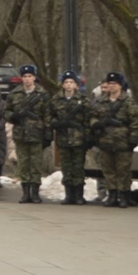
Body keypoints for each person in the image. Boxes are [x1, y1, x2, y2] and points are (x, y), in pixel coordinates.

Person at [6, 65, 52, 203]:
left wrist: (48, 133)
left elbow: (47, 115)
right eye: (25, 76)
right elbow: (6, 111)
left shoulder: (42, 94)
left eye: (30, 76)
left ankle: (35, 193)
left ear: (34, 77)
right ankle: (26, 193)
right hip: (21, 134)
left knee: (36, 164)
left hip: (37, 134)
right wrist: (14, 116)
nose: (27, 79)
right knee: (24, 164)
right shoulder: (14, 94)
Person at [94, 72, 138, 208]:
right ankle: (112, 195)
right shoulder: (101, 101)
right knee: (108, 170)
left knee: (123, 170)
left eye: (115, 84)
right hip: (105, 140)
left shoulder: (128, 102)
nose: (112, 86)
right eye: (110, 84)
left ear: (120, 86)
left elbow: (135, 122)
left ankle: (123, 195)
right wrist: (96, 124)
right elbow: (93, 115)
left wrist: (133, 139)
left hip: (122, 141)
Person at [51, 72, 94, 204]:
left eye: (71, 83)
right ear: (63, 85)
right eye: (66, 83)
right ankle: (69, 195)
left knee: (78, 167)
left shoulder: (84, 100)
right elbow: (50, 115)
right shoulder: (56, 100)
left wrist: (87, 136)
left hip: (78, 138)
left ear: (76, 85)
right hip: (63, 138)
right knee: (66, 167)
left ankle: (79, 195)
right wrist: (57, 123)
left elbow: (88, 119)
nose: (69, 85)